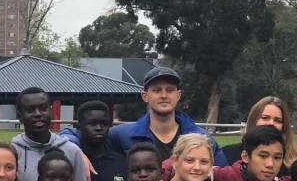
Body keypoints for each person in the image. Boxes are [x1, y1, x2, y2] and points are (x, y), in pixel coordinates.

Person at [63, 66, 226, 165]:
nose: (164, 95)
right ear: (145, 96)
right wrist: (75, 150)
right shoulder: (124, 134)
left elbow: (222, 175)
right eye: (156, 90)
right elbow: (72, 134)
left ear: (178, 95)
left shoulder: (201, 138)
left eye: (169, 90)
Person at [11, 87, 91, 181]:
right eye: (30, 110)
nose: (38, 114)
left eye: (43, 108)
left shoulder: (72, 151)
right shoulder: (12, 152)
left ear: (51, 111)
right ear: (20, 116)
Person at [219, 97, 297, 176]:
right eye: (265, 118)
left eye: (278, 120)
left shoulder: (292, 164)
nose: (271, 123)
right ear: (254, 121)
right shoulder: (227, 154)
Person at [75, 100, 128, 181]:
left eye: (104, 124)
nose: (99, 128)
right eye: (92, 124)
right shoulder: (73, 160)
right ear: (79, 127)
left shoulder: (122, 162)